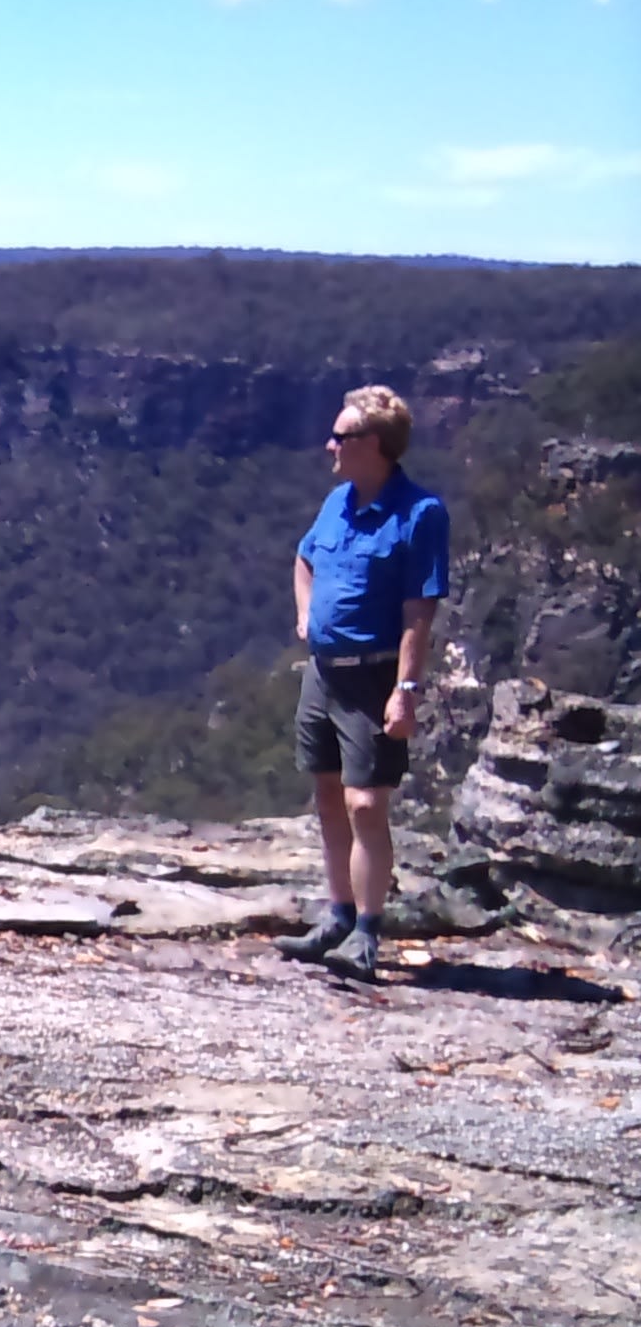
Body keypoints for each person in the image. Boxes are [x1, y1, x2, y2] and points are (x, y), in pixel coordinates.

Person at [276, 384, 446, 983]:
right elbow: (304, 560)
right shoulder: (335, 503)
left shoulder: (419, 514)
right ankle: (338, 913)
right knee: (326, 794)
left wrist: (408, 689)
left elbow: (418, 610)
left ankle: (369, 932)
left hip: (374, 675)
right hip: (323, 674)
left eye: (340, 437)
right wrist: (305, 613)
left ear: (373, 444)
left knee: (366, 803)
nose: (330, 445)